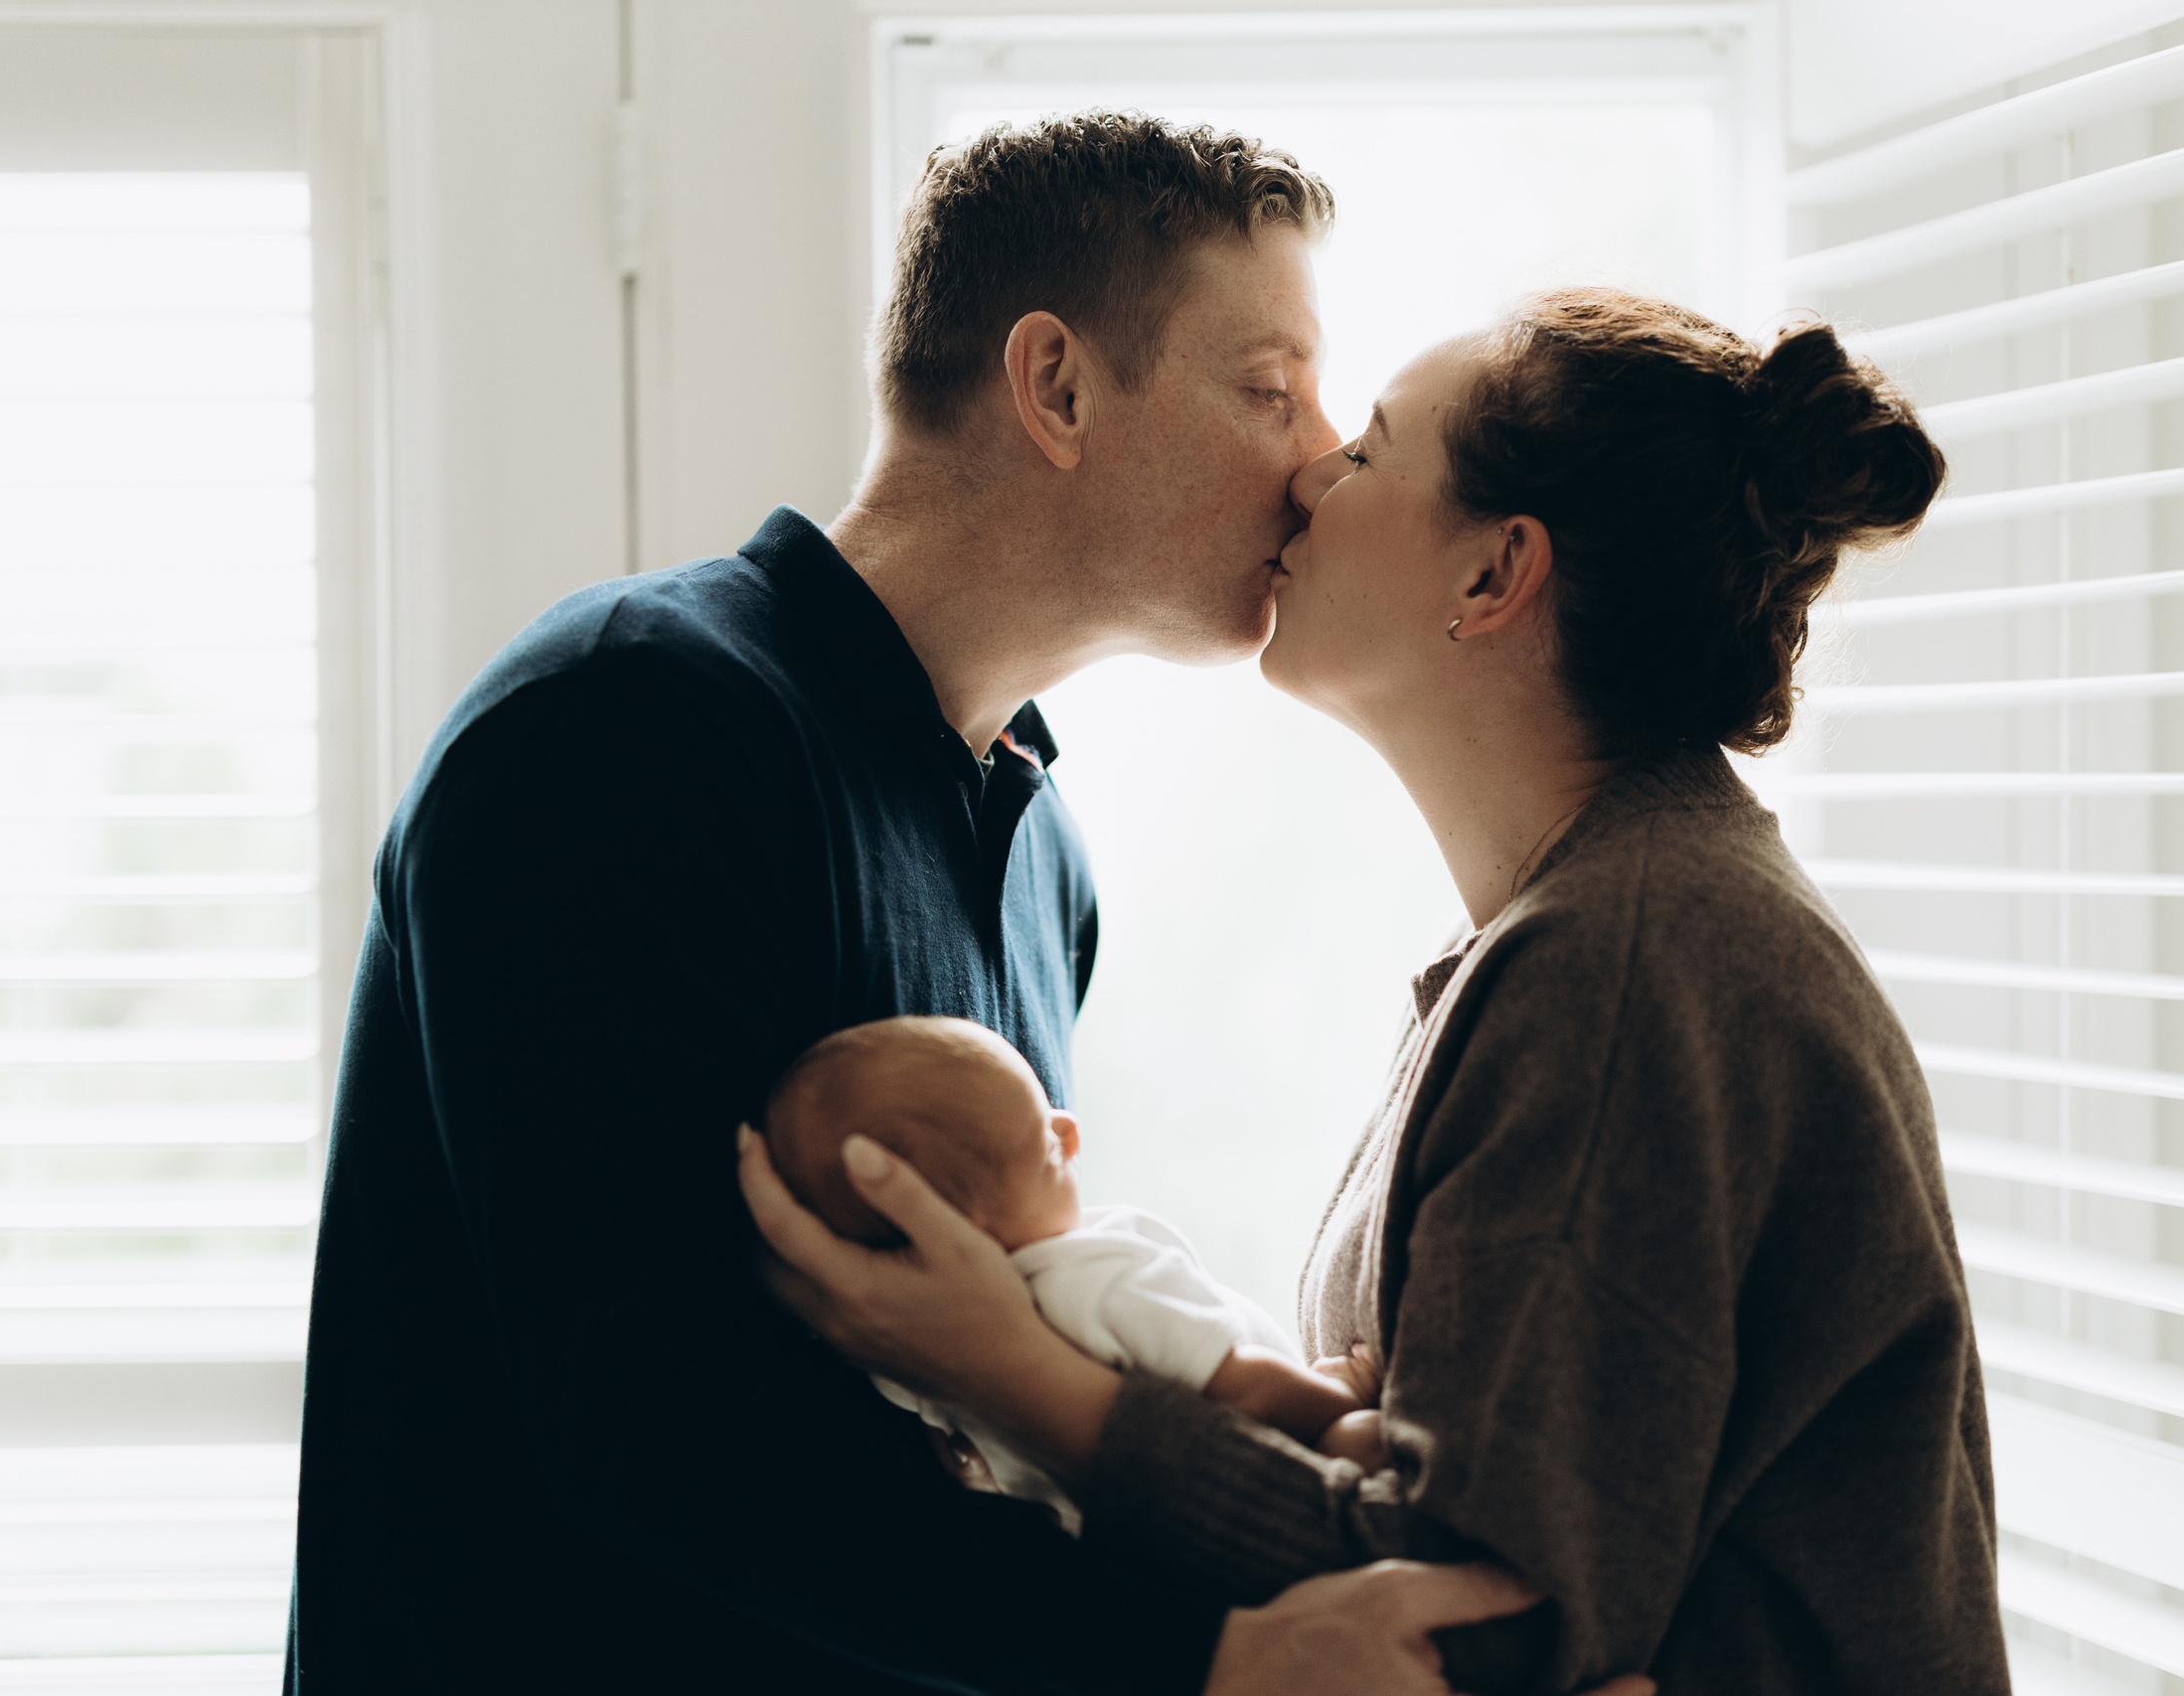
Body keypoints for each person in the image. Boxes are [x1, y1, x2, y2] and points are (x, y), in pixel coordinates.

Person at [288, 112, 1641, 1696]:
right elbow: (656, 1419)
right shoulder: (625, 731)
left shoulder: (1041, 846)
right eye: (1269, 387)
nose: (1320, 457)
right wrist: (1210, 1658)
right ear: (1056, 385)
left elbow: (955, 1417)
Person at [740, 291, 2016, 1694]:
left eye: (1370, 450)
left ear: (1492, 578)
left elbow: (1461, 1612)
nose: (1308, 472)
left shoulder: (1630, 965)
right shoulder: (1598, 925)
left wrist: (1018, 1372)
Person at [760, 1014, 1381, 1533]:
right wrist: (1340, 1391)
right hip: (1265, 1498)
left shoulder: (907, 1352)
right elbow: (1246, 1390)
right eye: (1048, 1144)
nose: (1069, 1126)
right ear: (961, 1226)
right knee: (1363, 1442)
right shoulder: (1092, 1279)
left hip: (1139, 1541)